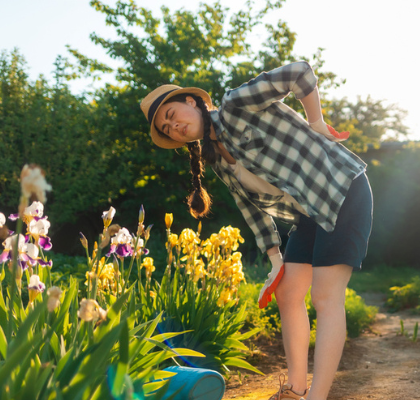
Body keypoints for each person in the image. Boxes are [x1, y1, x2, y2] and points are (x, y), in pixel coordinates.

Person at [140, 61, 373, 400]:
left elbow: (299, 73)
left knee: (325, 297)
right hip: (308, 213)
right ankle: (294, 390)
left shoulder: (236, 104)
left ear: (191, 102)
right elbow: (251, 207)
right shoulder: (216, 159)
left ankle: (317, 397)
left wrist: (316, 121)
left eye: (172, 113)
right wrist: (275, 259)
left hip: (341, 188)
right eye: (167, 127)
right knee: (288, 292)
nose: (174, 125)